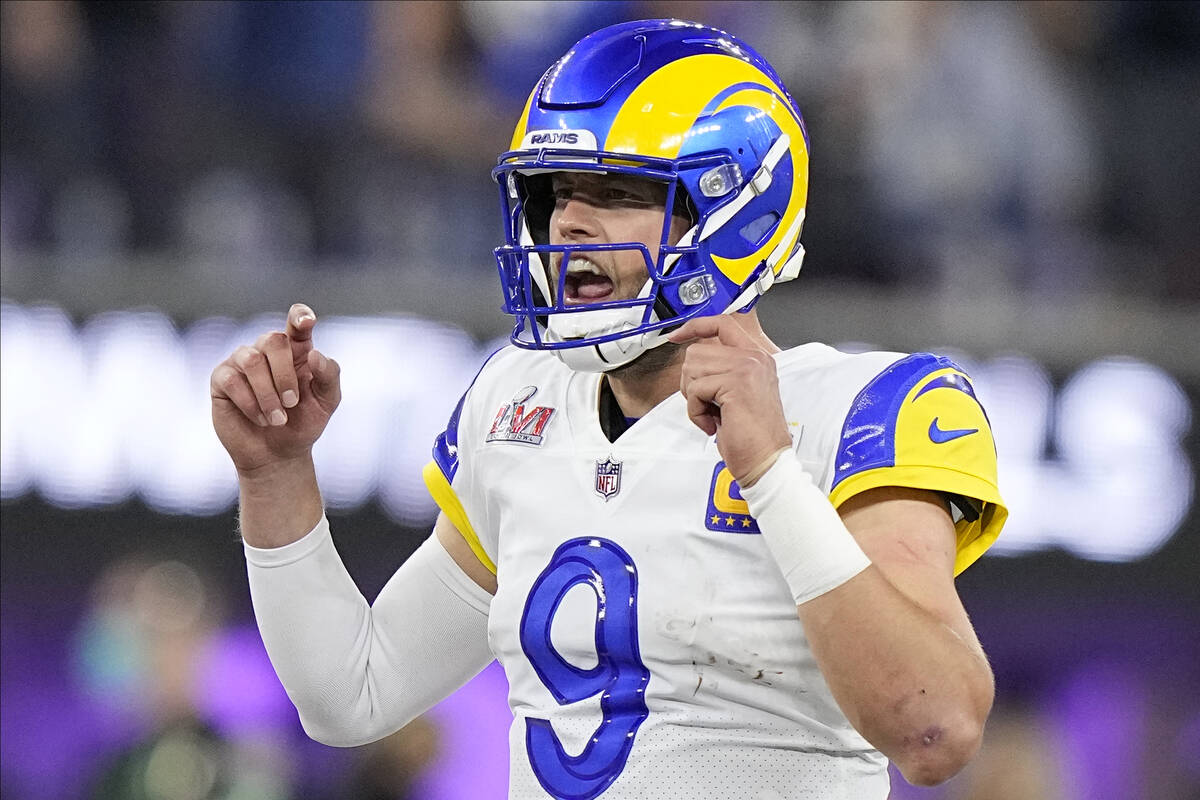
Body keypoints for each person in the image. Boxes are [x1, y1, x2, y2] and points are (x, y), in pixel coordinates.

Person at [210, 19, 1007, 800]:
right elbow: (354, 693)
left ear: (734, 213)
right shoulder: (519, 403)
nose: (569, 221)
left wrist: (771, 474)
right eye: (559, 192)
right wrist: (276, 473)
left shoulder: (854, 411)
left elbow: (934, 731)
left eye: (620, 192)